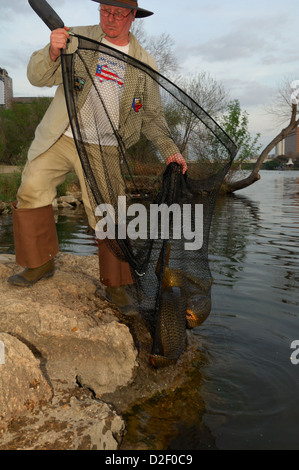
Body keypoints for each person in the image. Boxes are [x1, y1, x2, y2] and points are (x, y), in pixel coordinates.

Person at [8, 0, 187, 313]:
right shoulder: (75, 38)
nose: (111, 18)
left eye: (119, 13)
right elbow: (38, 77)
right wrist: (52, 51)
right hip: (62, 134)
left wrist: (170, 149)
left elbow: (153, 117)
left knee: (110, 212)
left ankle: (117, 284)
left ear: (133, 17)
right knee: (32, 186)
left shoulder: (145, 63)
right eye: (105, 10)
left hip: (103, 147)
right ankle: (38, 264)